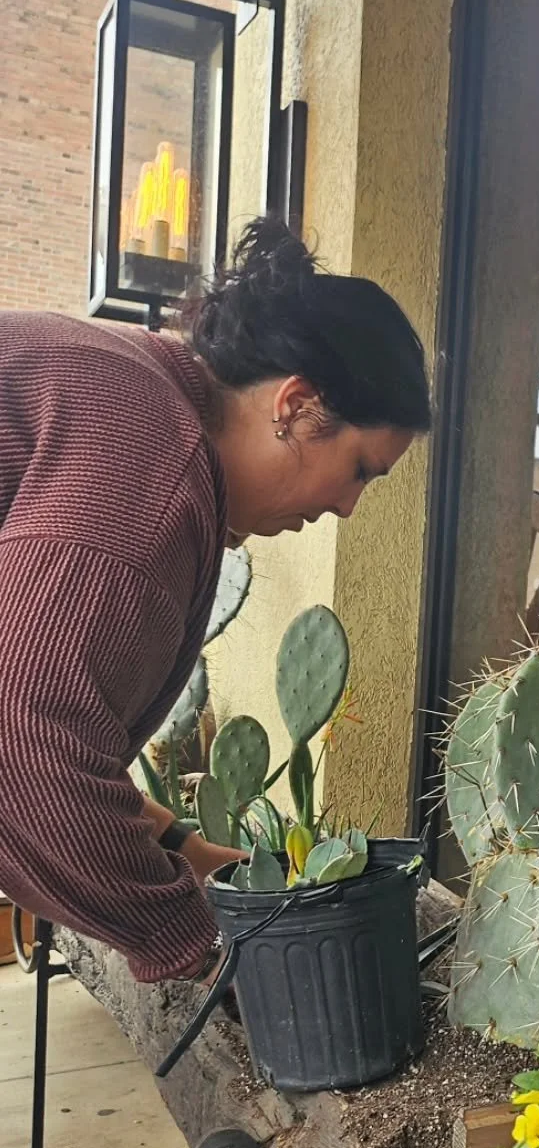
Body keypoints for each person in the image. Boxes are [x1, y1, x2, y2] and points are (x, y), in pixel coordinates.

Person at [0, 217, 431, 985]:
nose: (348, 508)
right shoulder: (153, 461)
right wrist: (199, 943)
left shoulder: (136, 395)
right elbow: (23, 739)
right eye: (362, 469)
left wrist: (177, 848)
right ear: (296, 406)